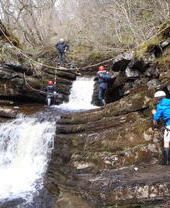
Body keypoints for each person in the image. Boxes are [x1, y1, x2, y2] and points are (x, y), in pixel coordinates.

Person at [152, 90, 170, 165]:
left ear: (158, 98)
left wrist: (154, 113)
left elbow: (156, 118)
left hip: (169, 124)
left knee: (166, 142)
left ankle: (166, 161)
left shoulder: (160, 106)